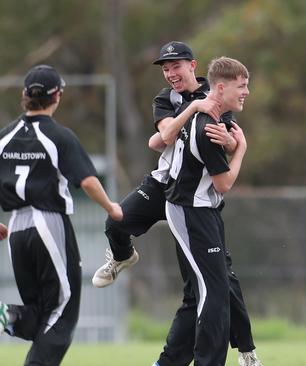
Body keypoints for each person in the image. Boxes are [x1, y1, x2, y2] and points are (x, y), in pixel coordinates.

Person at [91, 41, 261, 366]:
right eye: (165, 68)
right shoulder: (167, 98)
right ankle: (122, 257)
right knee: (116, 222)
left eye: (176, 66)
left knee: (216, 281)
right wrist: (194, 110)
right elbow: (162, 138)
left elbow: (222, 130)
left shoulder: (217, 94)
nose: (170, 73)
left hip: (192, 190)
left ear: (193, 65)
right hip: (166, 185)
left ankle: (247, 350)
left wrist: (229, 140)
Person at [0, 65, 123, 366]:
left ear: (24, 96)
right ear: (57, 96)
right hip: (48, 223)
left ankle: (10, 315)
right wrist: (111, 207)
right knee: (63, 312)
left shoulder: (4, 137)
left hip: (16, 227)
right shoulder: (58, 136)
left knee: (41, 311)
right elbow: (88, 181)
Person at [163, 56, 249, 366]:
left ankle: (171, 361)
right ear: (221, 87)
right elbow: (223, 183)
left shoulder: (210, 115)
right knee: (213, 296)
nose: (247, 92)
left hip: (200, 211)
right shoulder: (208, 127)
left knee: (208, 292)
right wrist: (240, 151)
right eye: (242, 86)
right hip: (190, 211)